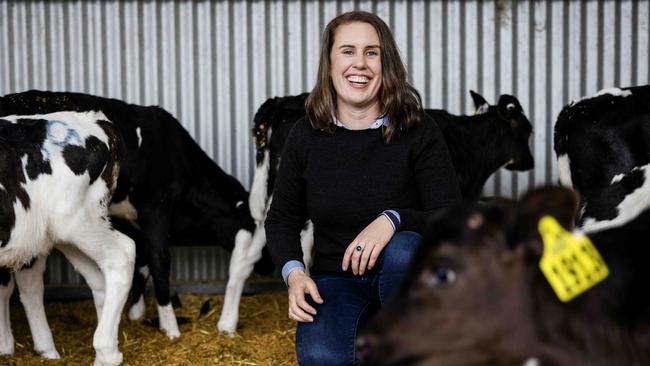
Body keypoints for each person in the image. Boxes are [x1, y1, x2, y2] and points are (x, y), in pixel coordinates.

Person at [265, 10, 461, 366]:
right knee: (321, 356)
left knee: (403, 249)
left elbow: (451, 217)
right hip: (336, 280)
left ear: (386, 63)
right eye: (348, 51)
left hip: (410, 283)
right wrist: (294, 275)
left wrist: (393, 219)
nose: (361, 64)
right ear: (329, 62)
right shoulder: (305, 136)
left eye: (372, 52)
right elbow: (282, 218)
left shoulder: (418, 130)